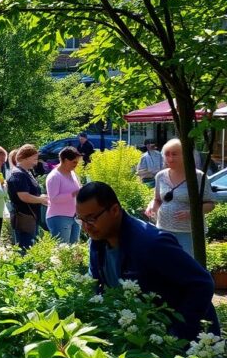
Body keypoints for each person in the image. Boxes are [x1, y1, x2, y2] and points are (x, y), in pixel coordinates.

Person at [77, 181, 219, 341]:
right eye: (80, 219)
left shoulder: (152, 243)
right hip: (143, 339)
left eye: (91, 218)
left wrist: (176, 335)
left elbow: (202, 283)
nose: (85, 227)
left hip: (191, 347)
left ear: (115, 210)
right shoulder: (98, 241)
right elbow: (96, 286)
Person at [145, 138, 214, 257]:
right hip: (163, 229)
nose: (170, 158)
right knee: (166, 265)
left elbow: (210, 204)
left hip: (189, 232)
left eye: (175, 154)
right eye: (167, 154)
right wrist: (151, 207)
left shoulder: (198, 176)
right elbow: (157, 199)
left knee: (188, 266)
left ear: (185, 155)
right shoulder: (160, 176)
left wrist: (192, 213)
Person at [7, 145, 49, 251]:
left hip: (31, 217)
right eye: (34, 159)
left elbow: (30, 193)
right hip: (24, 218)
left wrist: (40, 196)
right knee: (25, 249)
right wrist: (41, 200)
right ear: (25, 158)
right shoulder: (19, 174)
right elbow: (23, 196)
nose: (36, 162)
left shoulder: (26, 172)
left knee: (30, 247)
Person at [45, 147, 83, 244]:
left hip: (74, 217)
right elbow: (54, 199)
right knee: (62, 251)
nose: (76, 165)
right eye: (74, 162)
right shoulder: (54, 177)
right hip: (59, 217)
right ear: (65, 160)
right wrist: (74, 193)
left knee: (74, 251)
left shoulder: (73, 174)